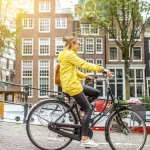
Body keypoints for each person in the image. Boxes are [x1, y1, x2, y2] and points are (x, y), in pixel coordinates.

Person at [57, 36, 111, 147]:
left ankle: (81, 109)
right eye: (78, 44)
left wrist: (86, 76)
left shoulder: (66, 54)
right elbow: (84, 64)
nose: (79, 46)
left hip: (71, 83)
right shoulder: (70, 54)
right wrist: (102, 69)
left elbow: (74, 71)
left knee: (95, 92)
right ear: (72, 44)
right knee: (89, 109)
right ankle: (84, 139)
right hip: (72, 86)